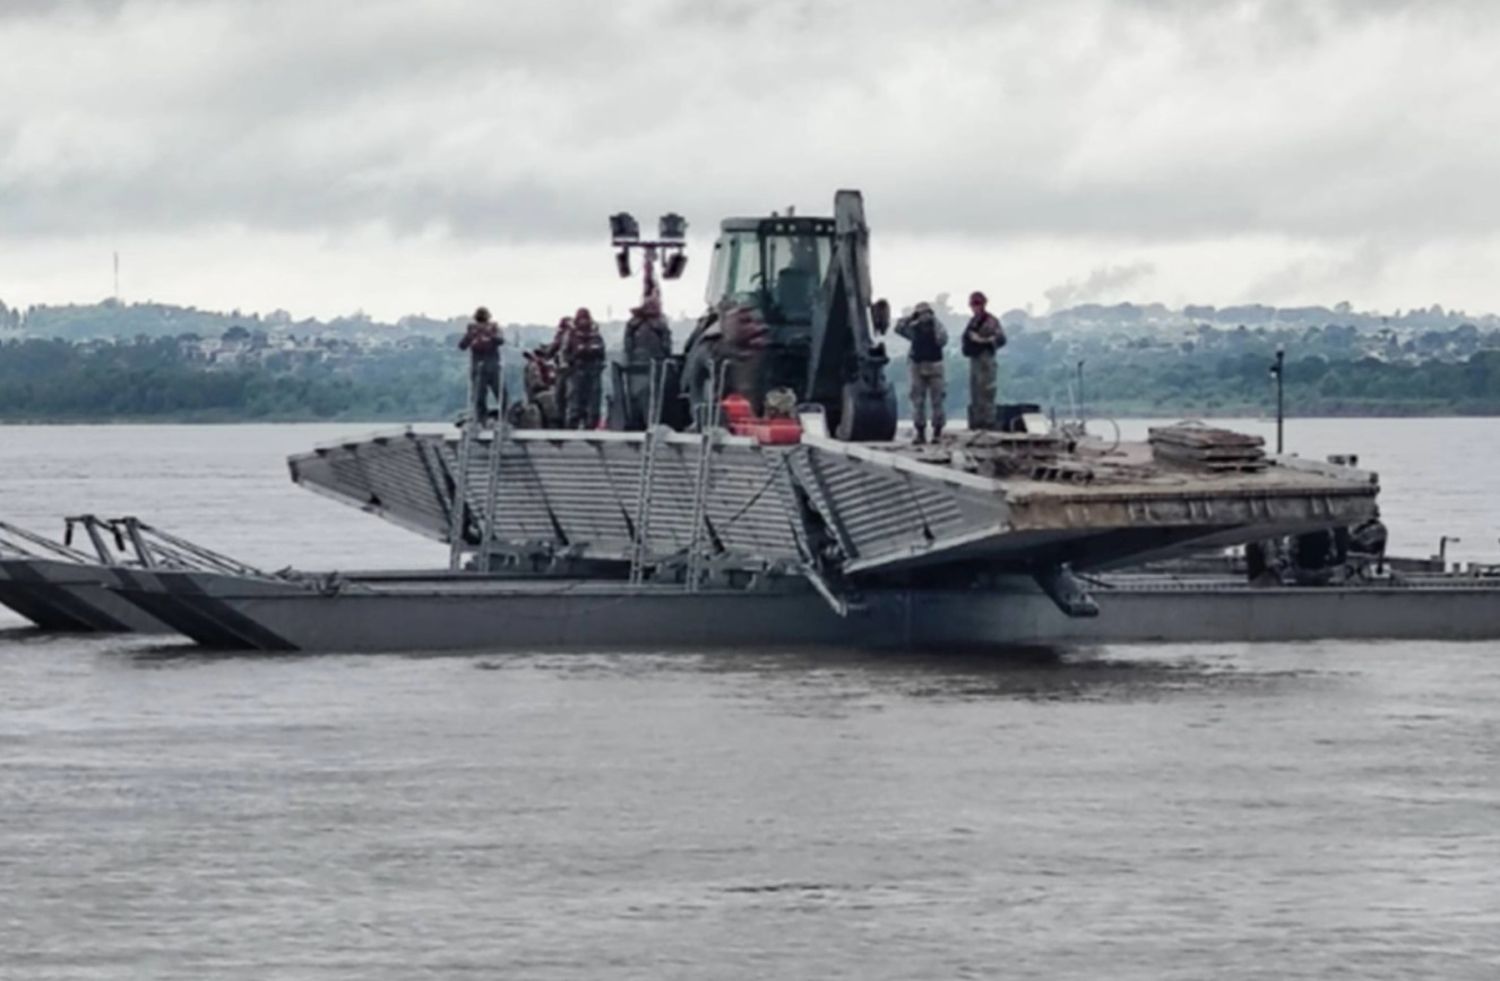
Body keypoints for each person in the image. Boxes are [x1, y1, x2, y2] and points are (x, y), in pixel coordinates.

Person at [894, 300, 947, 444]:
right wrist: (911, 318)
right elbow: (898, 328)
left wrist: (932, 323)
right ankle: (920, 432)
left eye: (926, 313)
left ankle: (937, 432)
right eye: (921, 313)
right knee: (917, 400)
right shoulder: (913, 328)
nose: (924, 317)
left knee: (937, 400)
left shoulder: (937, 327)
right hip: (917, 365)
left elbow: (943, 339)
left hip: (935, 365)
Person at [623, 296, 672, 426]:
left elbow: (627, 346)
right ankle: (652, 421)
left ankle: (636, 422)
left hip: (634, 367)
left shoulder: (633, 324)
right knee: (654, 397)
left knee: (634, 397)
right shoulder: (660, 325)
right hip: (656, 365)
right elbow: (666, 346)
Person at [961, 290, 1006, 429]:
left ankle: (989, 422)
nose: (975, 307)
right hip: (974, 358)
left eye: (977, 304)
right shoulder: (973, 321)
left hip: (986, 357)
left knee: (987, 390)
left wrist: (983, 340)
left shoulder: (991, 321)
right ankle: (978, 422)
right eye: (973, 304)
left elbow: (1001, 339)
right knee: (975, 391)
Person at [457, 306, 503, 424]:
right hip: (487, 367)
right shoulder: (480, 329)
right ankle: (484, 419)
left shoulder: (490, 328)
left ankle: (486, 419)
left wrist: (485, 334)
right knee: (483, 396)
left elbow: (462, 345)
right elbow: (462, 345)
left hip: (484, 366)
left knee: (483, 396)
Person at [565, 307, 606, 429]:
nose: (583, 322)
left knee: (594, 400)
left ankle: (591, 423)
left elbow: (601, 352)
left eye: (585, 318)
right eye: (581, 319)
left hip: (593, 370)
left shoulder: (596, 335)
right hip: (577, 370)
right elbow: (566, 353)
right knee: (576, 399)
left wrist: (589, 350)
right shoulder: (572, 335)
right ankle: (573, 423)